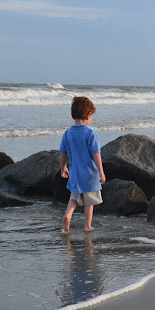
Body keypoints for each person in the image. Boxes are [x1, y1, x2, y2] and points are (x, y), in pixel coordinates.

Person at [60, 96, 106, 232]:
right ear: (88, 114)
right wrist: (101, 172)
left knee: (74, 198)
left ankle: (68, 215)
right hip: (90, 175)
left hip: (75, 174)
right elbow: (96, 154)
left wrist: (63, 167)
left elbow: (62, 152)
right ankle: (87, 226)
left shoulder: (68, 133)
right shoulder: (90, 133)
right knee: (89, 202)